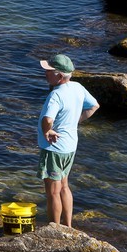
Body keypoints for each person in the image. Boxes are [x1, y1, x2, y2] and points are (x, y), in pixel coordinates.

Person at [37, 54, 99, 228]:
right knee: (64, 186)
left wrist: (47, 131)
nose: (45, 74)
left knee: (52, 192)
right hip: (70, 146)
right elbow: (94, 106)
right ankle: (68, 227)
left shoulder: (55, 95)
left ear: (59, 75)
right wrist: (74, 121)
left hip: (54, 149)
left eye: (48, 71)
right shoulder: (78, 87)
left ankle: (54, 229)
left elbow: (48, 119)